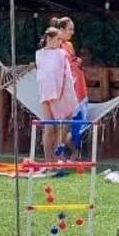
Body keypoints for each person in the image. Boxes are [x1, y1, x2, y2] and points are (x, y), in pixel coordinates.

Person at [50, 16, 90, 157]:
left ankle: (71, 150)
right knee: (61, 123)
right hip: (64, 88)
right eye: (69, 29)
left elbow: (71, 61)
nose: (72, 32)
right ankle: (59, 154)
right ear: (60, 30)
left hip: (77, 85)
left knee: (73, 121)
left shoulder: (69, 45)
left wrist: (77, 61)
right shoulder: (54, 45)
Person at [34, 27, 73, 160]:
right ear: (49, 39)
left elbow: (66, 75)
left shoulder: (62, 53)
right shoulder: (39, 54)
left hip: (60, 95)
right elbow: (42, 75)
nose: (59, 42)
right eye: (57, 39)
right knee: (49, 128)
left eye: (61, 40)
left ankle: (58, 159)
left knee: (60, 128)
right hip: (45, 95)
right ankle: (48, 160)